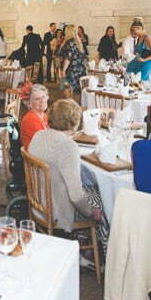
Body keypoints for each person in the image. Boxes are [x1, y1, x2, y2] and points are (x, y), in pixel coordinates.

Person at [28, 99, 102, 233]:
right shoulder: (68, 147)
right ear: (74, 123)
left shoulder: (37, 136)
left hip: (38, 205)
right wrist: (91, 212)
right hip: (57, 211)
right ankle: (95, 248)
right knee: (102, 199)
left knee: (88, 189)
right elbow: (76, 196)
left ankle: (84, 240)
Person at [20, 84, 50, 150]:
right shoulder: (30, 119)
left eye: (43, 97)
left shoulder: (43, 115)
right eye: (37, 99)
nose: (42, 101)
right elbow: (46, 143)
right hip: (36, 158)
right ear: (29, 104)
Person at [60, 25, 87, 95]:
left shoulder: (69, 43)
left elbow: (68, 57)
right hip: (80, 69)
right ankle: (75, 105)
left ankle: (69, 104)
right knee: (77, 91)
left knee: (67, 89)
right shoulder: (78, 42)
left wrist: (63, 70)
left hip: (70, 70)